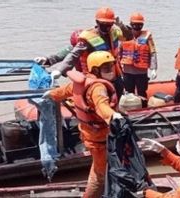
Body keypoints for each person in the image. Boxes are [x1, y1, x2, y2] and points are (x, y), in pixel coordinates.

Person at [43, 51, 129, 198]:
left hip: (89, 134)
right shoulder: (98, 88)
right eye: (106, 68)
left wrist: (51, 94)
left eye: (112, 66)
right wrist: (112, 115)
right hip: (100, 138)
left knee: (104, 166)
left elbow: (64, 91)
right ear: (96, 70)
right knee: (99, 174)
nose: (111, 71)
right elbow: (102, 106)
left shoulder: (83, 81)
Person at [52, 7, 128, 99]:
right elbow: (74, 54)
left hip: (114, 72)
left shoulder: (115, 31)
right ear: (97, 22)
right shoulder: (88, 37)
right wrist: (60, 70)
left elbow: (129, 37)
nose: (107, 26)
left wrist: (122, 26)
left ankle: (117, 110)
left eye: (109, 24)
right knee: (102, 98)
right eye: (104, 24)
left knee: (119, 92)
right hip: (97, 75)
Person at [119, 12, 158, 104]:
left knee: (142, 93)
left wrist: (153, 69)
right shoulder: (126, 36)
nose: (137, 27)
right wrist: (119, 70)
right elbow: (119, 53)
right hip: (128, 71)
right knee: (129, 93)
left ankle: (144, 109)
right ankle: (130, 110)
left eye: (139, 25)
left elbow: (153, 52)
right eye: (135, 25)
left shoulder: (147, 36)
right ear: (131, 25)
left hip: (141, 72)